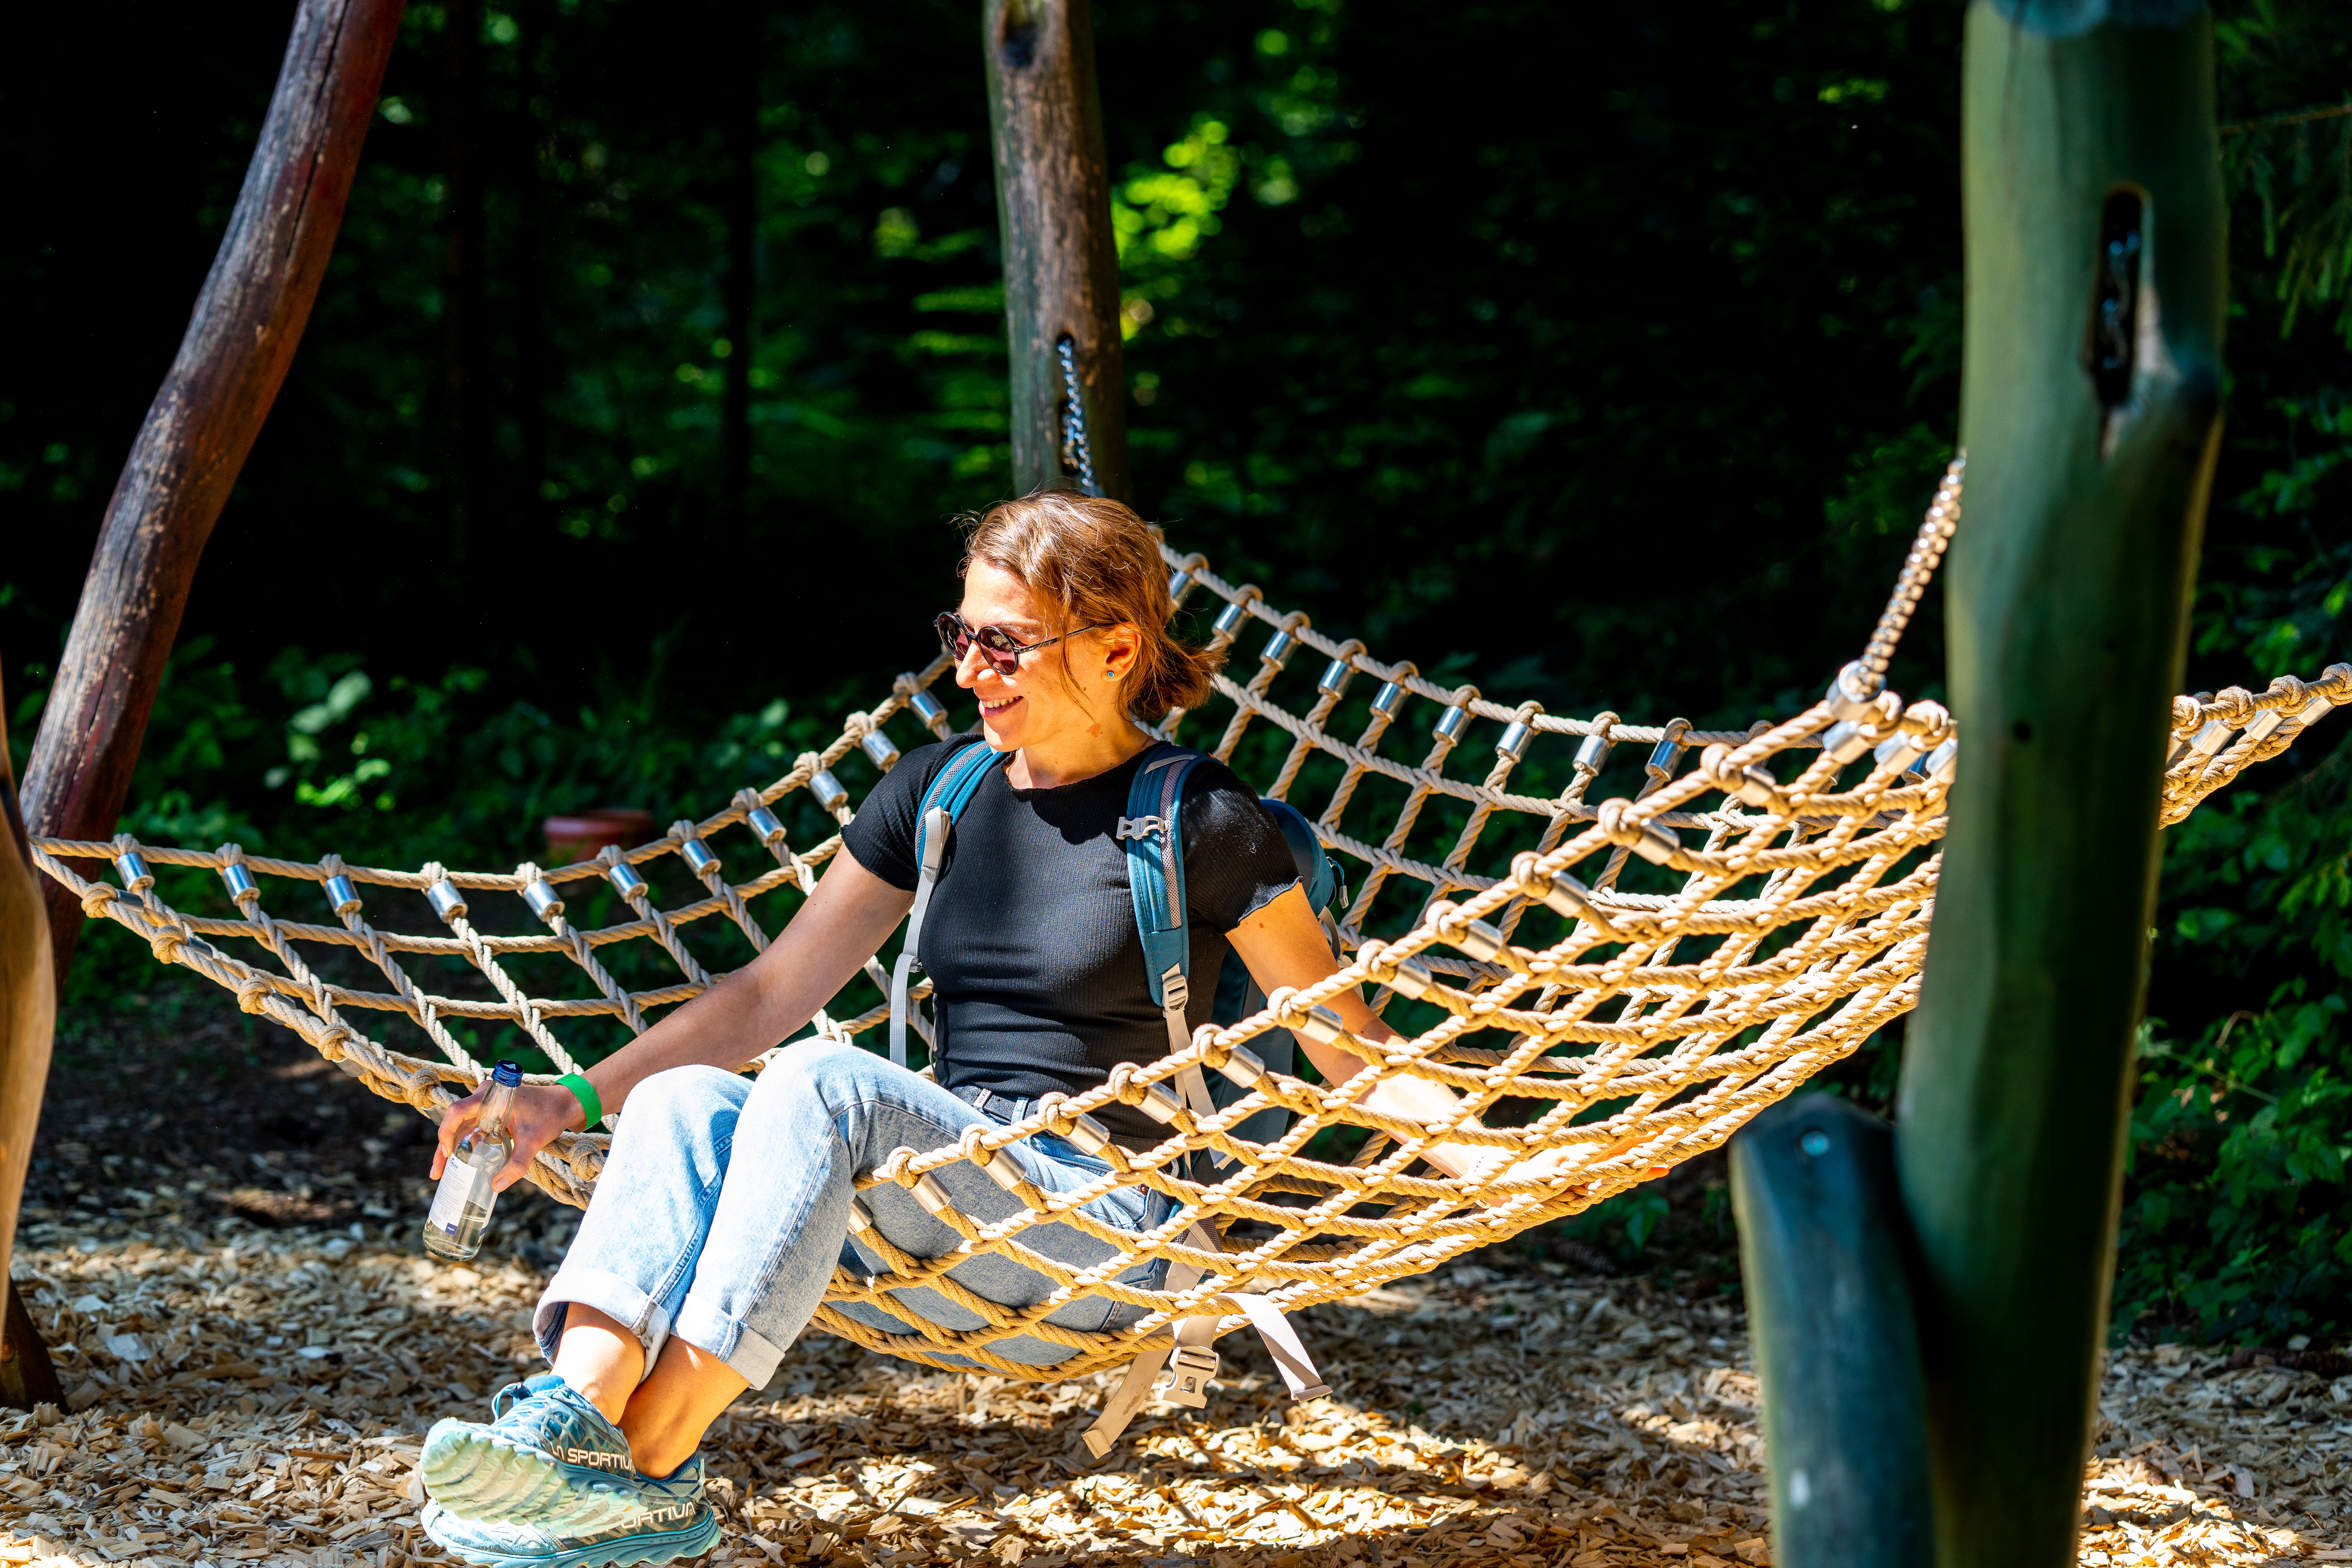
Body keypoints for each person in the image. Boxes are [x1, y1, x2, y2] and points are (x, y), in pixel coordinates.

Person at [413, 490, 1542, 1568]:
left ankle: (650, 1465)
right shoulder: (938, 793)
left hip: (1106, 1226)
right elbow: (766, 995)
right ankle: (572, 1421)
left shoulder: (1203, 823)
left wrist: (1518, 1171)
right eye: (962, 632)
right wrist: (568, 1101)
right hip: (943, 1181)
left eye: (1007, 643)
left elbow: (1351, 1050)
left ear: (1112, 649)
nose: (967, 669)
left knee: (819, 1082)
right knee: (678, 1098)